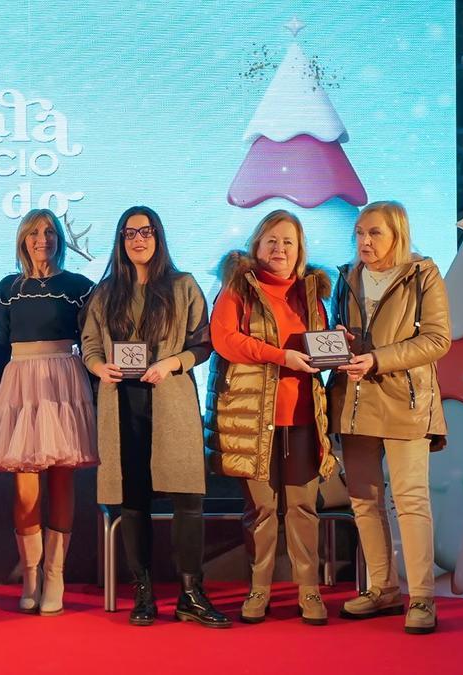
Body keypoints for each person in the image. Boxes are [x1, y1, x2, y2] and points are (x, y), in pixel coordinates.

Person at [82, 206, 227, 628]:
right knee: (133, 501)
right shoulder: (106, 291)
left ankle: (190, 594)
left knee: (187, 499)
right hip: (121, 403)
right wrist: (96, 367)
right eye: (129, 233)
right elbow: (89, 343)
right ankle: (142, 593)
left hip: (170, 400)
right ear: (121, 241)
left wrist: (172, 363)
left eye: (145, 232)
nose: (138, 240)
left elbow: (204, 343)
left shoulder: (183, 286)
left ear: (158, 237)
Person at [207, 209, 338, 626]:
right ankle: (258, 589)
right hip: (252, 420)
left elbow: (319, 349)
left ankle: (309, 590)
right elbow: (225, 341)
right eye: (272, 241)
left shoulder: (312, 293)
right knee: (261, 511)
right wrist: (280, 356)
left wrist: (337, 345)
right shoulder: (236, 289)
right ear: (256, 245)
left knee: (302, 507)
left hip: (302, 418)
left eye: (288, 242)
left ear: (300, 250)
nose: (279, 249)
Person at [328, 200, 450, 635]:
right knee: (363, 500)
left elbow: (437, 339)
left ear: (397, 233)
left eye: (374, 233)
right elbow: (344, 332)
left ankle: (422, 597)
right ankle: (382, 588)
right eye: (360, 232)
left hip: (406, 401)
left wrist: (378, 359)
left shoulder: (423, 274)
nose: (364, 241)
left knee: (411, 499)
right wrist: (341, 340)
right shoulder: (347, 276)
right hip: (355, 401)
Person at [0, 208, 98, 616]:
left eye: (49, 232)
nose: (42, 239)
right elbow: (2, 344)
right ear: (23, 239)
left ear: (59, 239)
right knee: (25, 488)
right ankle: (30, 574)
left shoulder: (80, 287)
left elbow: (91, 340)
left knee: (62, 480)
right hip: (20, 386)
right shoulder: (7, 289)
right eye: (34, 233)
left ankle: (55, 576)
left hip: (63, 381)